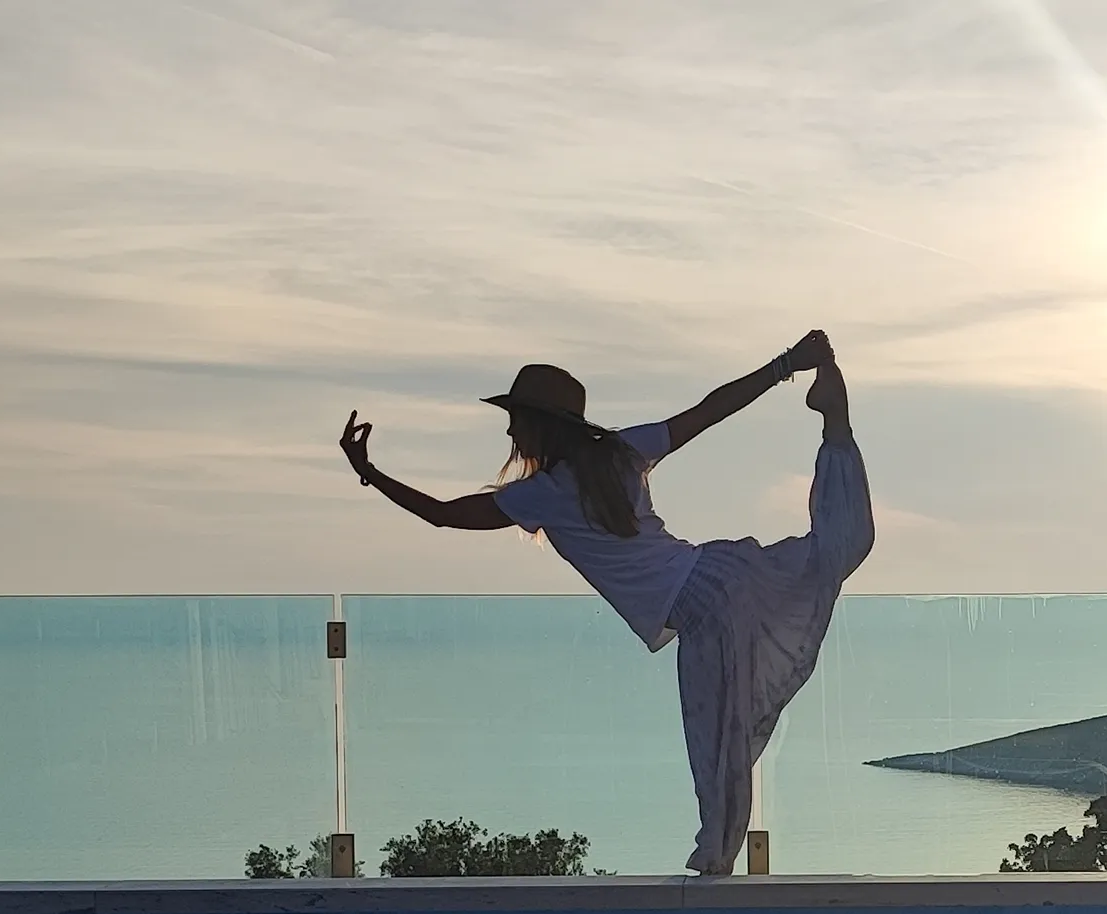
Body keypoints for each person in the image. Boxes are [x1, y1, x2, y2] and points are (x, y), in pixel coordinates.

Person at [339, 333, 874, 874]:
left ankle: (716, 875)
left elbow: (442, 514)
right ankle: (835, 422)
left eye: (516, 417)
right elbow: (710, 410)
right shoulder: (621, 452)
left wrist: (371, 472)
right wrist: (785, 363)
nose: (508, 429)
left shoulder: (542, 491)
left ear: (541, 424)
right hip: (718, 576)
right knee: (828, 557)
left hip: (703, 603)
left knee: (719, 744)